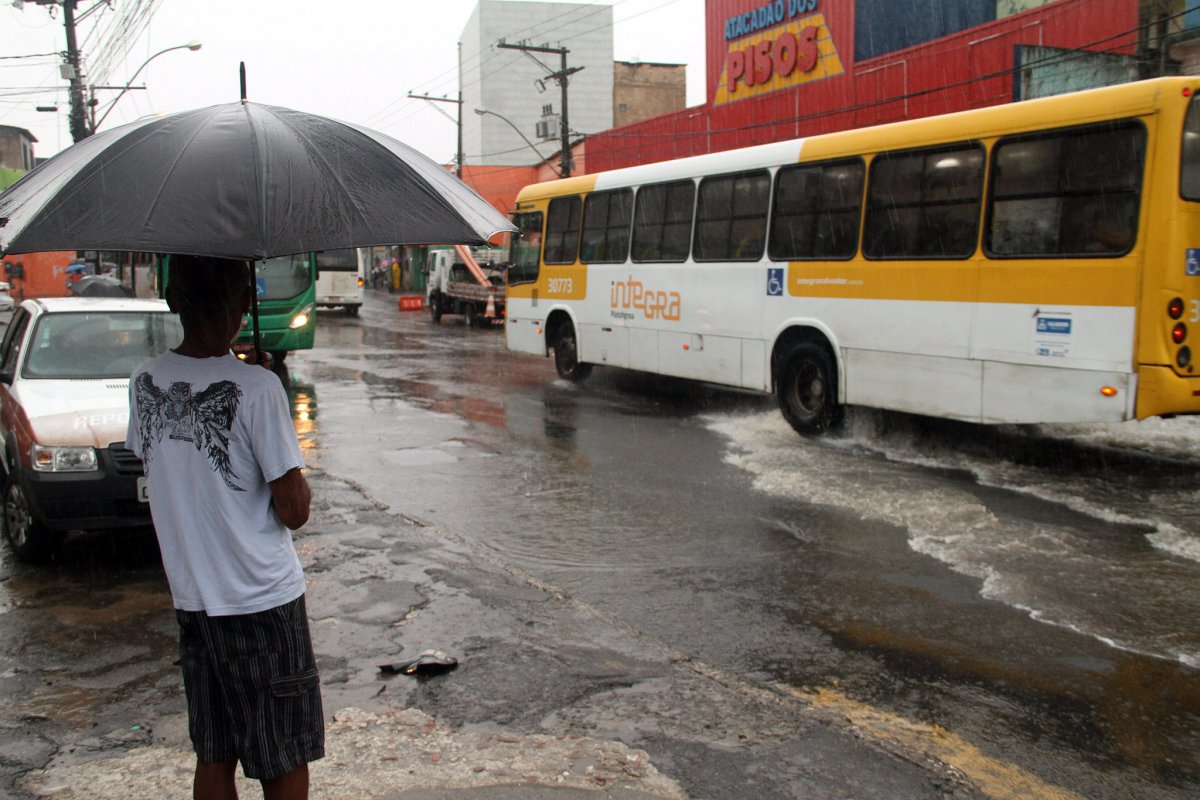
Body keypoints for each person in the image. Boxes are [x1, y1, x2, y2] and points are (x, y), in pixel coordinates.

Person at [126, 254, 323, 800]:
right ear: (245, 303)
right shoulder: (258, 389)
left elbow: (170, 471)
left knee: (215, 752)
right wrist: (261, 390)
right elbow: (294, 510)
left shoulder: (144, 382)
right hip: (261, 601)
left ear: (172, 301)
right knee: (284, 753)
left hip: (194, 600)